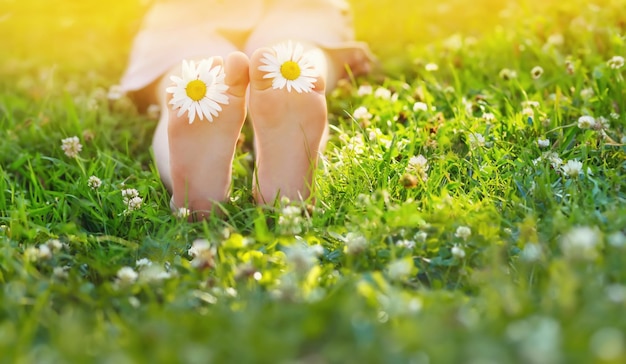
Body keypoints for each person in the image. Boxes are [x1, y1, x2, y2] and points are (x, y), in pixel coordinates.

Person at [119, 0, 372, 220]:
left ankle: (192, 193)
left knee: (191, 79)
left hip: (185, 15)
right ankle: (293, 84)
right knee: (296, 54)